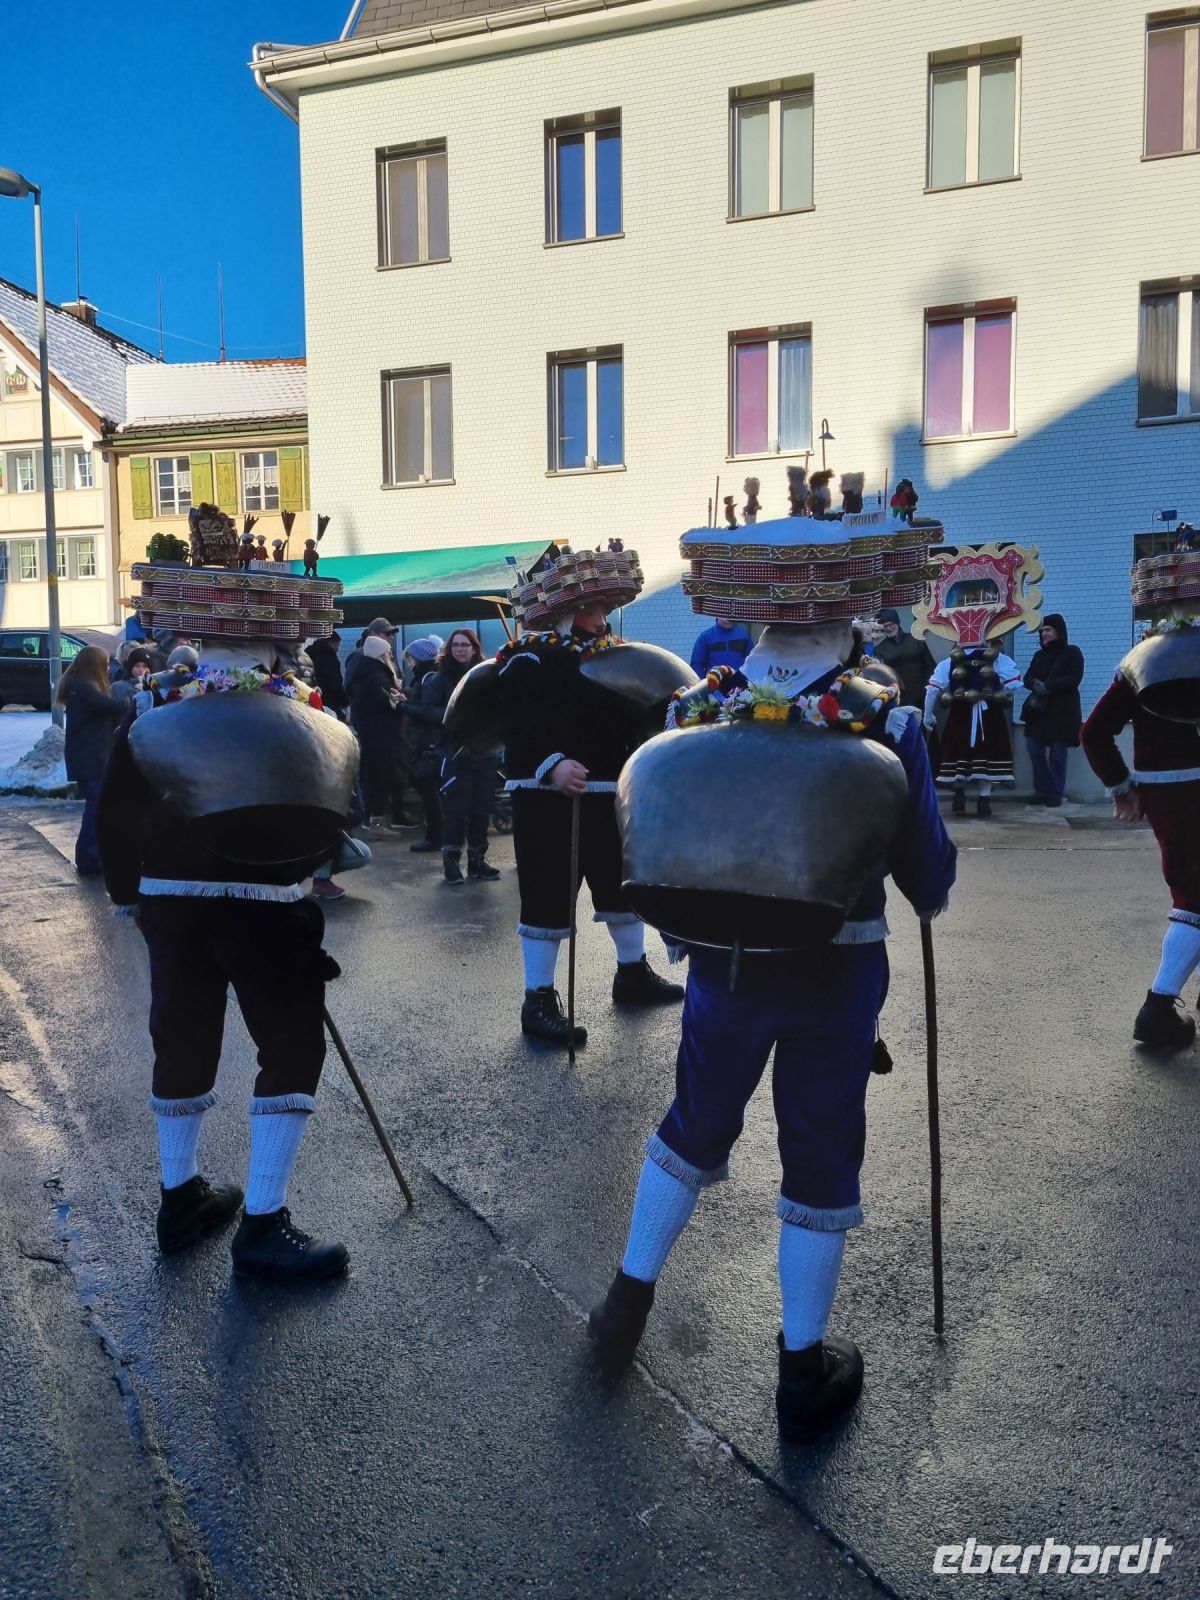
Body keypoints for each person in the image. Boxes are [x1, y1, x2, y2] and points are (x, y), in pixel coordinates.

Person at [588, 506, 957, 1444]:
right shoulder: (889, 722)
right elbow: (929, 879)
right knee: (821, 1144)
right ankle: (801, 1369)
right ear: (852, 625)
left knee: (694, 1122)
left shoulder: (694, 711)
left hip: (724, 968)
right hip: (837, 973)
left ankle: (625, 1304)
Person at [97, 562, 358, 1283]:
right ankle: (264, 1223)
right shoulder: (306, 712)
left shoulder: (151, 706)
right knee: (290, 1043)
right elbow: (330, 808)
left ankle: (180, 1200)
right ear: (278, 647)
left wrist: (130, 895)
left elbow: (113, 807)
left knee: (180, 1040)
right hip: (263, 906)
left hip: (172, 904)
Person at [469, 545, 685, 1045]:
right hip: (550, 798)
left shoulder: (616, 657)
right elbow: (518, 724)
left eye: (605, 610)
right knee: (547, 891)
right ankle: (538, 998)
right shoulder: (529, 659)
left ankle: (631, 973)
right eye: (592, 610)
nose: (601, 619)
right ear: (568, 613)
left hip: (609, 793)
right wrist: (552, 763)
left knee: (619, 885)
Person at [1082, 552, 1200, 1049]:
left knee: (1191, 893)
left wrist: (1123, 786)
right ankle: (1157, 1007)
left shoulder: (1140, 659)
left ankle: (1160, 1011)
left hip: (1165, 794)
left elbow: (1093, 733)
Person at [425, 629, 501, 885]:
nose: (460, 649)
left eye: (465, 645)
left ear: (474, 648)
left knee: (481, 809)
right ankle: (451, 863)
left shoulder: (487, 674)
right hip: (455, 751)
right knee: (457, 810)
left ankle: (477, 861)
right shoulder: (440, 679)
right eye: (455, 645)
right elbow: (429, 712)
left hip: (484, 750)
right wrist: (455, 716)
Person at [923, 644, 1021, 817]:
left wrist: (928, 715)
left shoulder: (949, 661)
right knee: (986, 754)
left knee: (959, 753)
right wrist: (996, 691)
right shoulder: (998, 659)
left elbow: (933, 689)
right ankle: (984, 800)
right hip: (989, 714)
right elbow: (1014, 682)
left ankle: (959, 794)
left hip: (961, 714)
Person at [58, 645, 127, 876]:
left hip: (89, 757)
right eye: (105, 664)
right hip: (90, 758)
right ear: (95, 666)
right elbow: (113, 706)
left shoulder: (78, 685)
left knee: (96, 808)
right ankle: (89, 859)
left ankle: (92, 856)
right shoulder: (85, 690)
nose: (108, 668)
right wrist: (136, 698)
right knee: (95, 809)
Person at [1020, 614, 1083, 807]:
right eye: (1042, 631)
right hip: (1039, 714)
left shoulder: (1072, 652)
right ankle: (1042, 790)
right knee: (1034, 749)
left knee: (1057, 755)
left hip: (1062, 713)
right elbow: (1028, 677)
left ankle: (1055, 793)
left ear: (1059, 631)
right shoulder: (1039, 655)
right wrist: (1035, 684)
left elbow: (1074, 677)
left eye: (1047, 630)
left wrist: (1049, 686)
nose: (1044, 634)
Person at [350, 634, 409, 830]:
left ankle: (374, 819)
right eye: (388, 652)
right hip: (383, 735)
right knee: (383, 776)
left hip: (372, 733)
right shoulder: (378, 676)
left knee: (373, 776)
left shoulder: (363, 673)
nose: (390, 655)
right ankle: (377, 822)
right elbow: (388, 703)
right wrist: (400, 700)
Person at [399, 637, 446, 854]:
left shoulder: (429, 679)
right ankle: (437, 835)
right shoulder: (429, 677)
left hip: (428, 743)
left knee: (429, 792)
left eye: (410, 659)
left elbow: (430, 713)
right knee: (431, 790)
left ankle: (435, 838)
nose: (409, 663)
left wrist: (402, 707)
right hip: (429, 742)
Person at [872, 608, 935, 709]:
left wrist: (927, 687)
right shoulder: (880, 650)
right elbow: (881, 678)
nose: (888, 628)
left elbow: (930, 666)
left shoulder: (916, 641)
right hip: (899, 700)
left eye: (891, 624)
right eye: (885, 626)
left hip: (923, 695)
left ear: (897, 622)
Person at [308, 632, 349, 720]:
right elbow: (334, 682)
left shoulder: (308, 653)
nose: (337, 649)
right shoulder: (329, 657)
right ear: (330, 642)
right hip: (329, 701)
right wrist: (345, 701)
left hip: (311, 699)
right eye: (337, 645)